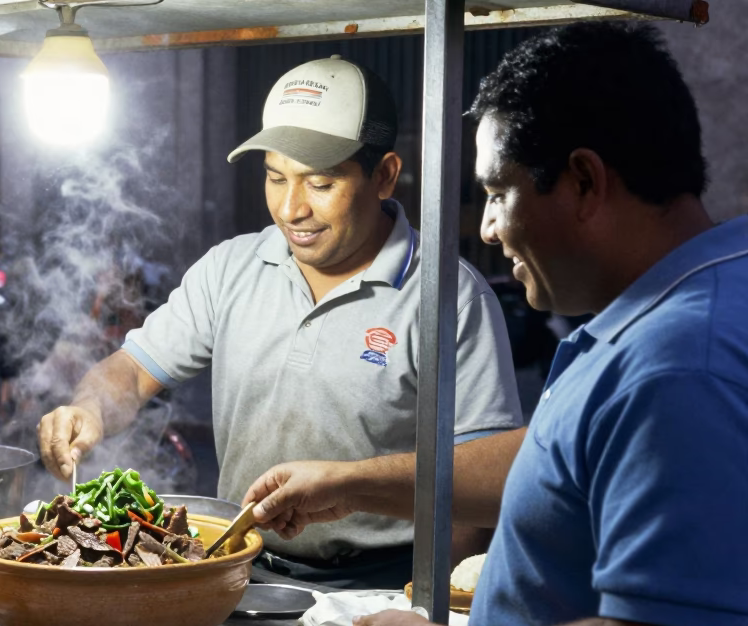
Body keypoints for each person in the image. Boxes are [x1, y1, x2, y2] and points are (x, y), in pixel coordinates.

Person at [253, 23, 748, 626]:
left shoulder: (678, 366)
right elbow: (577, 459)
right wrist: (353, 483)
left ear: (583, 182)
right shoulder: (691, 298)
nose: (486, 227)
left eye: (497, 193)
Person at [38, 56, 523, 588]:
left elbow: (481, 484)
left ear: (384, 175)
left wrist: (430, 603)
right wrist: (89, 408)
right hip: (238, 568)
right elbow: (132, 372)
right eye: (275, 177)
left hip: (380, 585)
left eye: (320, 183)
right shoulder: (230, 268)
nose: (291, 209)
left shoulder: (450, 296)